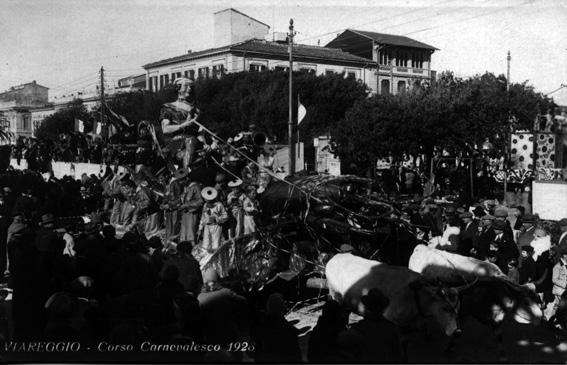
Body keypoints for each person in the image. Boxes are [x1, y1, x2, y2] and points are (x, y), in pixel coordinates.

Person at [337, 288, 405, 363]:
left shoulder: (360, 327)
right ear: (382, 308)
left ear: (367, 307)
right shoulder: (391, 328)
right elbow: (398, 356)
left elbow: (344, 343)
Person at [197, 268, 249, 357]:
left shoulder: (200, 297)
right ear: (218, 280)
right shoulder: (226, 292)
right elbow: (243, 301)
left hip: (211, 334)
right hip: (228, 331)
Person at [158, 78, 201, 169]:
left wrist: (206, 143)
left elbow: (200, 132)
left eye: (191, 87)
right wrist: (183, 125)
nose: (189, 89)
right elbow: (165, 129)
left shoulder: (196, 110)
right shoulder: (168, 107)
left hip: (194, 142)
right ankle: (186, 172)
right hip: (176, 143)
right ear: (178, 88)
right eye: (186, 86)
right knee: (190, 141)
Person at [251, 293, 302, 363]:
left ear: (268, 307)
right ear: (283, 308)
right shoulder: (289, 330)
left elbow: (252, 351)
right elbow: (296, 356)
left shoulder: (259, 326)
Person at [198, 187, 228, 254]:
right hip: (207, 227)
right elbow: (203, 217)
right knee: (206, 243)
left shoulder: (219, 205)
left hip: (216, 226)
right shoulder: (205, 205)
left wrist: (216, 219)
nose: (205, 199)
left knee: (216, 243)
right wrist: (200, 228)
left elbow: (225, 216)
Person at [161, 169, 186, 242]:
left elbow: (179, 198)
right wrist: (163, 203)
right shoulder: (166, 183)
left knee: (175, 226)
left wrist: (169, 205)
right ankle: (168, 240)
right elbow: (166, 195)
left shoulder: (175, 183)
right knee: (169, 226)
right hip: (169, 208)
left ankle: (173, 242)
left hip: (175, 208)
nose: (160, 179)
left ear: (166, 176)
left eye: (161, 177)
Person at [179, 177, 203, 244]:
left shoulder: (195, 187)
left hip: (192, 213)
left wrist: (187, 205)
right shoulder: (186, 187)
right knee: (184, 233)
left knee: (191, 233)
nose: (180, 182)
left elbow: (200, 201)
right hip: (185, 213)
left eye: (181, 180)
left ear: (187, 178)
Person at [550, 248, 567, 324]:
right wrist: (565, 284)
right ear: (564, 255)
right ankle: (552, 322)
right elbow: (554, 279)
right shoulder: (558, 266)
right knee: (558, 307)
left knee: (561, 308)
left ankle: (557, 322)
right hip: (559, 291)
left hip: (564, 292)